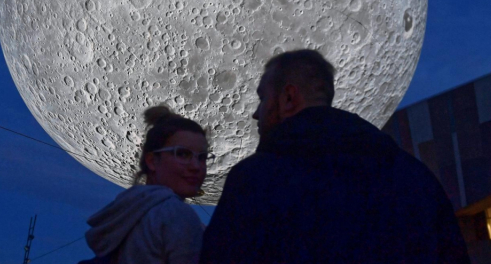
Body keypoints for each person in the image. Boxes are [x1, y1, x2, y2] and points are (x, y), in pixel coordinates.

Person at [200, 49, 469, 263]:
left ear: (289, 98)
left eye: (262, 98)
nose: (255, 114)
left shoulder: (256, 180)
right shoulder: (417, 179)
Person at [82, 105, 213, 264]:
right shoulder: (176, 214)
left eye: (202, 157)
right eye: (183, 154)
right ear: (152, 161)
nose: (196, 166)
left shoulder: (125, 212)